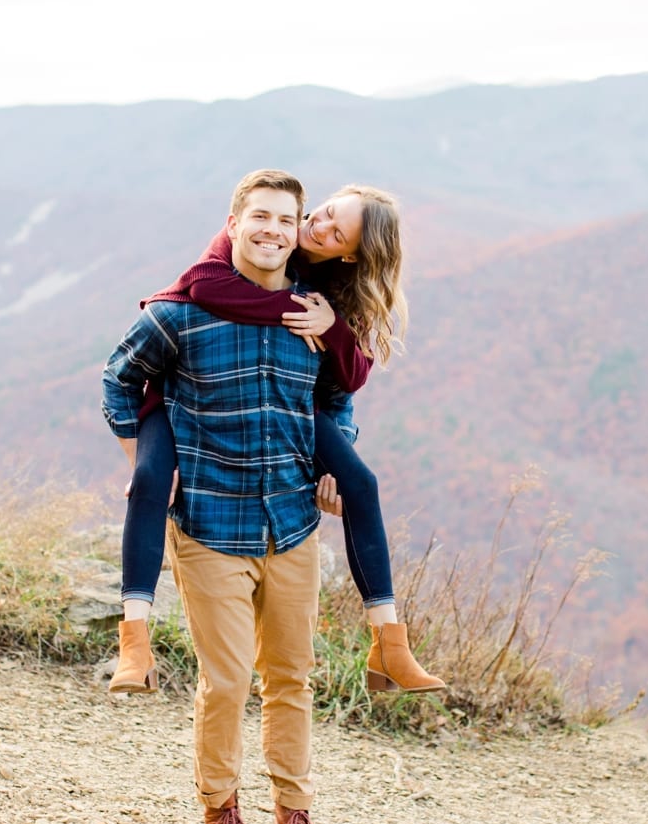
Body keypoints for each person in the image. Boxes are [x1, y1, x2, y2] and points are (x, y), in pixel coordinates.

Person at [107, 184, 445, 698]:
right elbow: (206, 291)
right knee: (152, 479)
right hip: (177, 395)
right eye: (327, 212)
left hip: (286, 402)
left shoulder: (329, 290)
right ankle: (133, 643)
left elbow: (345, 383)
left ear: (349, 253)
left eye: (337, 232)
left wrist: (333, 334)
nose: (319, 227)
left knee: (360, 482)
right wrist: (294, 309)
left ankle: (390, 645)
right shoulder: (258, 240)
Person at [101, 169, 346, 824]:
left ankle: (293, 823)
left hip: (293, 523)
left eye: (284, 220)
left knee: (293, 677)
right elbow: (118, 375)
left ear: (297, 230)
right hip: (209, 522)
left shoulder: (310, 313)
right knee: (229, 679)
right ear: (234, 223)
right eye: (259, 217)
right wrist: (144, 457)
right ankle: (220, 812)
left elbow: (336, 401)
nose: (272, 231)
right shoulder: (180, 315)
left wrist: (338, 462)